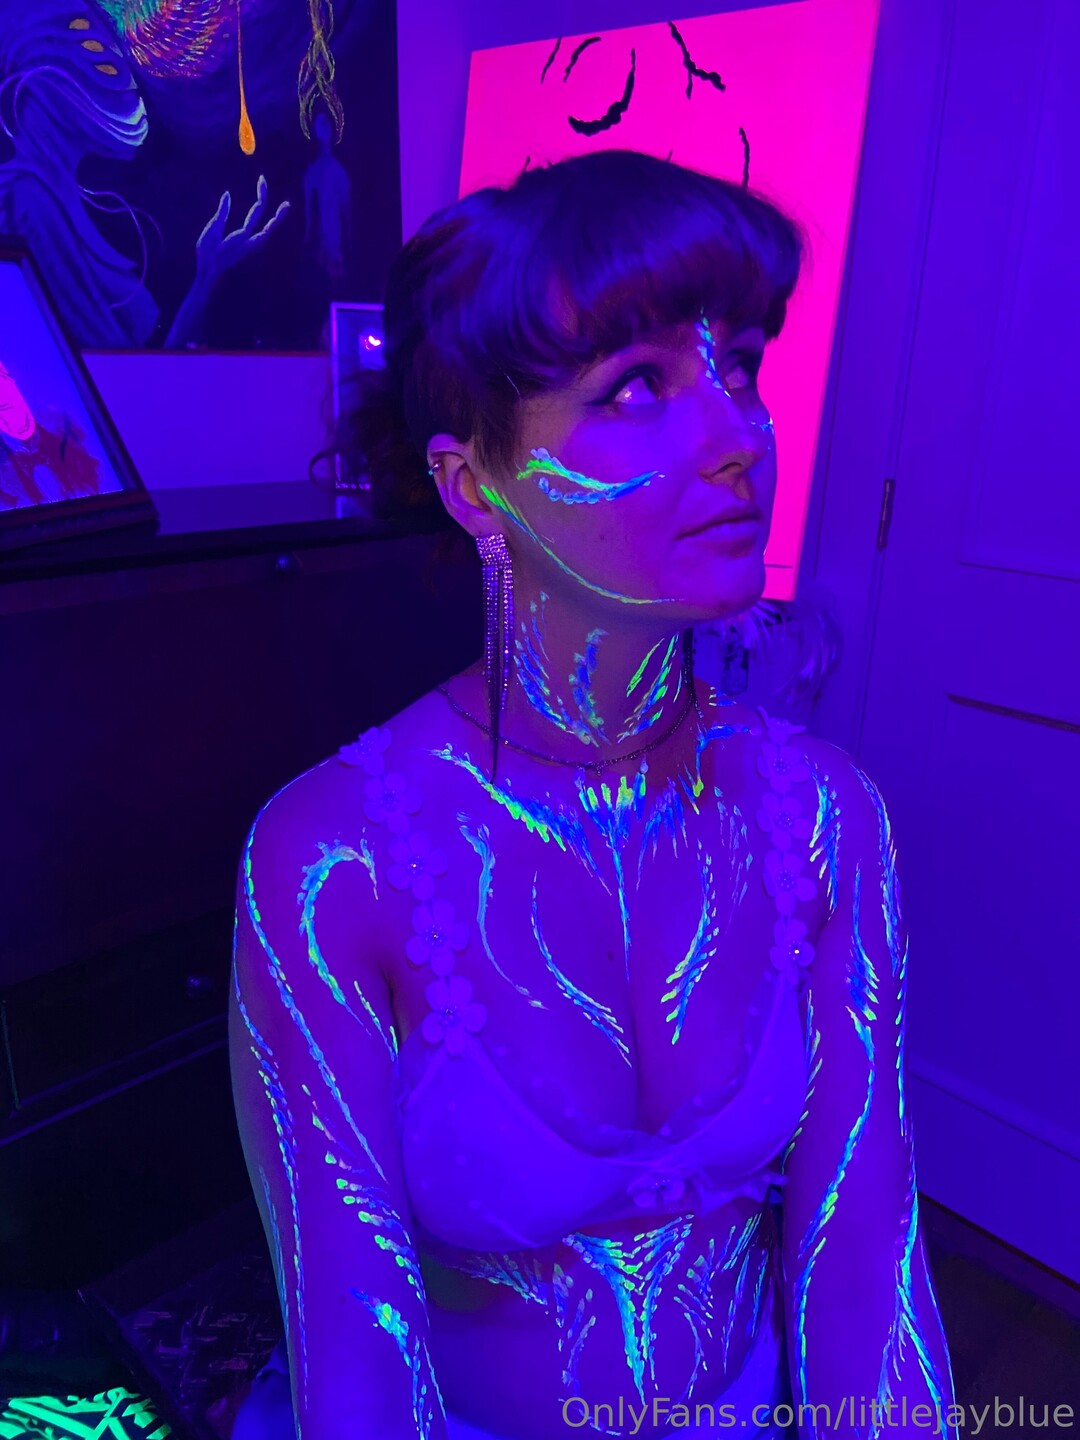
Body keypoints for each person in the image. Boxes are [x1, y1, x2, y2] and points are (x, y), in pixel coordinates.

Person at [229, 149, 958, 1440]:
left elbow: (864, 1255)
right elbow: (358, 1360)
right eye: (638, 386)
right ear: (476, 485)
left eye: (741, 366)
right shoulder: (335, 861)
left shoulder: (826, 817)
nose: (739, 438)